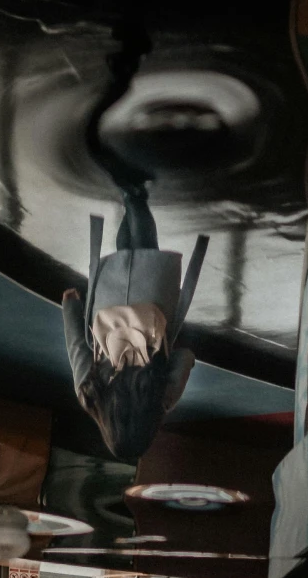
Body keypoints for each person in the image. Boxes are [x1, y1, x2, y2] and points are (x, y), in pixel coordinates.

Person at [59, 190, 208, 464]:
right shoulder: (92, 398)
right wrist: (70, 306)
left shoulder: (161, 400)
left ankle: (133, 194)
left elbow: (184, 356)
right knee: (122, 254)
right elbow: (77, 350)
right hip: (109, 310)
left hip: (152, 310)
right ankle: (129, 197)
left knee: (147, 246)